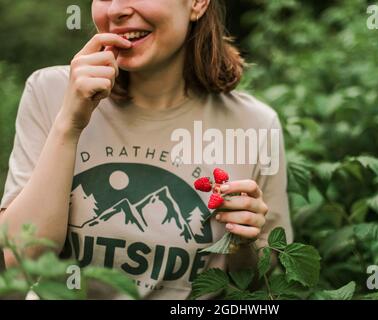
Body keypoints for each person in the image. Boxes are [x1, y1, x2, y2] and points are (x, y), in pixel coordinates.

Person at [0, 0, 293, 299]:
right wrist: (68, 125)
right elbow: (19, 262)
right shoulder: (50, 92)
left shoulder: (254, 124)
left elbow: (263, 286)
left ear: (197, 3)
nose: (116, 10)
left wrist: (245, 244)